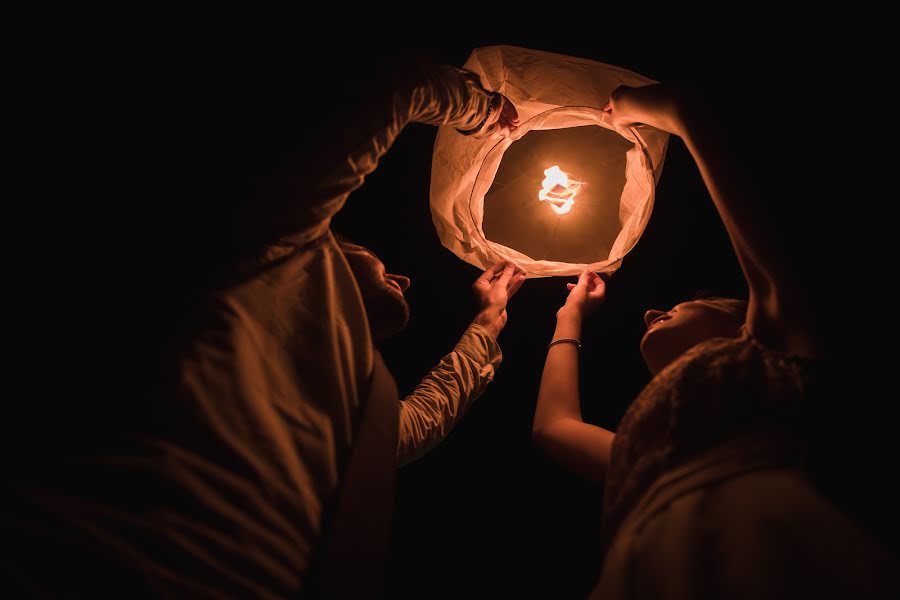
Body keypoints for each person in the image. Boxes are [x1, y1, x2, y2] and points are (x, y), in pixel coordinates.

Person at [7, 60, 520, 597]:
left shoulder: (358, 398)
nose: (405, 277)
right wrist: (478, 108)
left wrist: (486, 322)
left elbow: (421, 421)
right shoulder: (270, 247)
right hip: (89, 562)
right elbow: (385, 90)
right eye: (374, 257)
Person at [532, 85, 898, 598]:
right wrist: (569, 315)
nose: (650, 310)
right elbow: (556, 427)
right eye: (679, 305)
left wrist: (648, 106)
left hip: (763, 546)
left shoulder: (771, 350)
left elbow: (554, 427)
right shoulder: (657, 450)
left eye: (673, 308)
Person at [339, 240, 524, 464]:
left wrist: (487, 323)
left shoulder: (349, 380)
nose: (403, 281)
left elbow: (409, 428)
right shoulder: (298, 367)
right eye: (380, 272)